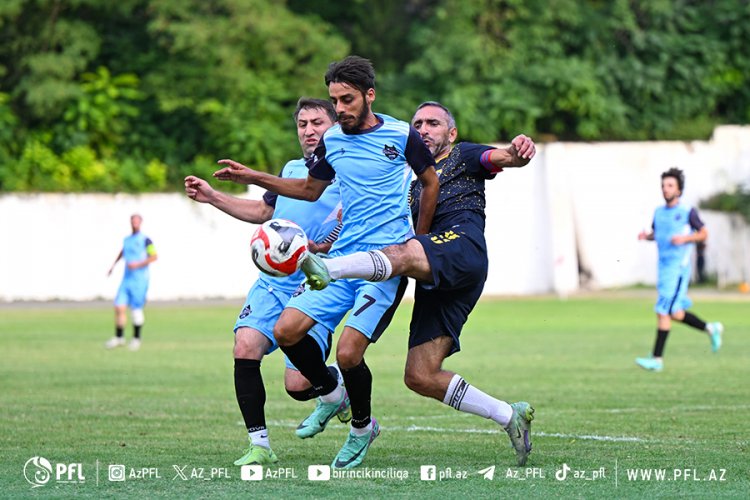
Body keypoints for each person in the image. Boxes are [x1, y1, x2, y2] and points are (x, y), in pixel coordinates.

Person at [213, 55, 439, 469]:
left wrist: (418, 242)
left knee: (350, 352)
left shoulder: (401, 135)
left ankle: (361, 428)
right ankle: (333, 396)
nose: (340, 109)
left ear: (369, 96)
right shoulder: (334, 142)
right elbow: (308, 188)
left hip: (386, 262)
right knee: (286, 330)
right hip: (340, 261)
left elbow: (429, 180)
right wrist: (254, 175)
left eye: (347, 99)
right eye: (335, 100)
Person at [300, 101, 537, 466]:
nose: (423, 129)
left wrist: (518, 152)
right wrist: (326, 243)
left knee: (404, 251)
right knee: (420, 375)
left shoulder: (465, 154)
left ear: (451, 133)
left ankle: (330, 271)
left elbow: (500, 158)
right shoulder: (410, 186)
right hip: (437, 275)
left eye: (433, 123)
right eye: (418, 124)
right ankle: (510, 415)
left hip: (461, 250)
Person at [185, 97, 349, 466]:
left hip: (315, 288)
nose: (309, 130)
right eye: (302, 124)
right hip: (272, 284)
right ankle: (259, 445)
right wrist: (212, 197)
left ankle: (334, 387)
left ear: (335, 125)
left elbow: (359, 226)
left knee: (298, 386)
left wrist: (324, 246)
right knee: (245, 347)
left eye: (317, 122)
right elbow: (263, 212)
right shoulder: (291, 168)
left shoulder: (350, 173)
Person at [635, 167, 723, 372]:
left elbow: (704, 233)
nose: (665, 189)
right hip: (663, 268)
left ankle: (657, 359)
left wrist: (685, 238)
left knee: (663, 309)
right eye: (663, 185)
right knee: (675, 313)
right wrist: (646, 236)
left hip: (678, 269)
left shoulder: (687, 212)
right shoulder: (658, 212)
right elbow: (658, 235)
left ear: (679, 189)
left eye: (670, 185)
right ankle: (711, 328)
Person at [105, 214, 157, 351]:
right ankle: (119, 337)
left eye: (137, 221)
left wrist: (138, 264)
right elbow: (122, 252)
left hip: (139, 280)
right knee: (119, 307)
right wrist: (113, 266)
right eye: (132, 221)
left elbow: (154, 256)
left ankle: (136, 339)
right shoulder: (127, 240)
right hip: (126, 279)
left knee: (136, 310)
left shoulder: (146, 240)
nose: (134, 223)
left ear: (141, 223)